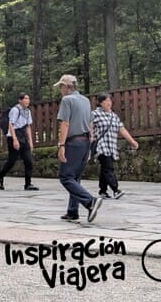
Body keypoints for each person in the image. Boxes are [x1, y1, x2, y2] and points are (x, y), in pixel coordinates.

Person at [55, 74, 102, 223]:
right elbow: (90, 124)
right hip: (85, 141)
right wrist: (89, 145)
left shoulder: (67, 100)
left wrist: (61, 145)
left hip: (73, 142)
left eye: (61, 86)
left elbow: (65, 123)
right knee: (76, 177)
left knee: (66, 177)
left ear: (67, 86)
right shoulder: (85, 100)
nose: (60, 89)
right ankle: (72, 210)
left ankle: (90, 201)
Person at [91, 92, 139, 199]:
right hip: (101, 146)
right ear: (100, 103)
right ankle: (116, 190)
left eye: (109, 100)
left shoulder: (114, 116)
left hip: (111, 146)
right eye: (105, 101)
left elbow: (121, 129)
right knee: (108, 168)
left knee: (105, 169)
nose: (108, 103)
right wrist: (90, 139)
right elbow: (89, 127)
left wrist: (132, 141)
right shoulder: (95, 114)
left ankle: (103, 191)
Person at [0, 93, 38, 191]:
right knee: (12, 160)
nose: (27, 100)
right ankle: (0, 176)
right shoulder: (15, 110)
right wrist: (15, 139)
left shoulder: (27, 111)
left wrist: (31, 142)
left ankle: (28, 184)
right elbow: (11, 124)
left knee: (29, 161)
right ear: (20, 100)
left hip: (23, 137)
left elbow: (28, 127)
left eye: (28, 98)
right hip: (14, 136)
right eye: (25, 98)